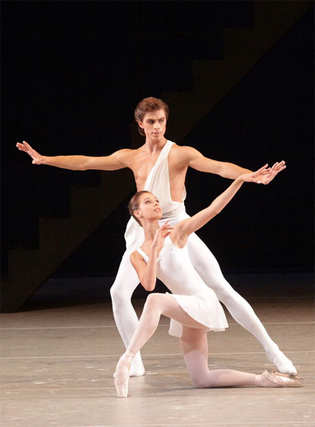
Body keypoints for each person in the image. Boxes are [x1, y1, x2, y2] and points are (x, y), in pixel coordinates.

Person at [16, 97, 295, 377]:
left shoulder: (179, 153)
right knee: (118, 292)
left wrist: (251, 176)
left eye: (161, 121)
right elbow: (87, 163)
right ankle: (134, 359)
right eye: (151, 122)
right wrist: (44, 159)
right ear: (140, 124)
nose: (157, 127)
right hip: (143, 230)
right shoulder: (132, 156)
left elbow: (218, 167)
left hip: (177, 226)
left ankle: (273, 350)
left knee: (221, 287)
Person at [114, 171, 302, 397]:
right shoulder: (137, 254)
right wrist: (153, 250)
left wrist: (239, 181)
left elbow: (213, 209)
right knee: (201, 378)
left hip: (202, 301)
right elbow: (149, 284)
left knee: (155, 301)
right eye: (148, 202)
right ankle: (264, 380)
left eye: (156, 200)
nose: (155, 204)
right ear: (137, 213)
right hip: (187, 310)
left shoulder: (177, 232)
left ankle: (127, 358)